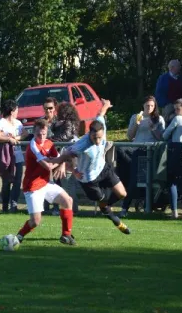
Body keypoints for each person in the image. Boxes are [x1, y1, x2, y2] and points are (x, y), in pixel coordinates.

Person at [50, 100, 132, 234]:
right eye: (95, 138)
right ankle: (115, 220)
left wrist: (106, 104)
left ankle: (106, 207)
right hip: (88, 180)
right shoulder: (82, 144)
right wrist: (64, 166)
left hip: (103, 169)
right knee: (102, 202)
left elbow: (101, 113)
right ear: (89, 134)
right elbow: (65, 154)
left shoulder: (101, 125)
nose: (98, 141)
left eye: (100, 137)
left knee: (122, 193)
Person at [8, 118, 77, 245]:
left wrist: (63, 164)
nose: (41, 137)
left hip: (45, 183)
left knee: (68, 200)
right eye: (39, 134)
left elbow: (57, 159)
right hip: (33, 187)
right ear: (34, 133)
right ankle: (19, 236)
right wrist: (64, 157)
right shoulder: (33, 146)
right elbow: (48, 166)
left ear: (47, 132)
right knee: (35, 221)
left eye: (44, 134)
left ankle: (66, 235)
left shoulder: (49, 143)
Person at [120, 96, 165, 217]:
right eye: (147, 105)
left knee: (151, 180)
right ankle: (124, 208)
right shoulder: (136, 117)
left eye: (152, 106)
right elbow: (130, 136)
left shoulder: (158, 119)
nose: (149, 108)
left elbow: (161, 138)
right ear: (143, 105)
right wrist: (136, 124)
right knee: (134, 180)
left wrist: (153, 128)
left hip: (152, 152)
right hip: (138, 151)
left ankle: (148, 207)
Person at [0, 99, 28, 213]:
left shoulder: (18, 123)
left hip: (17, 156)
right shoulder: (1, 122)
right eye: (16, 109)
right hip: (6, 156)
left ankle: (14, 205)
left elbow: (25, 134)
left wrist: (16, 138)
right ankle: (4, 206)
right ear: (12, 111)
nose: (18, 111)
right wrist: (8, 139)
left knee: (17, 181)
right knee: (6, 181)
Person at [51, 102, 81, 214]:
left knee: (67, 183)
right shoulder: (70, 122)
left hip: (67, 157)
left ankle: (71, 209)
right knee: (69, 183)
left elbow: (65, 137)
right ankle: (73, 208)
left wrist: (51, 140)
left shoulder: (68, 123)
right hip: (69, 155)